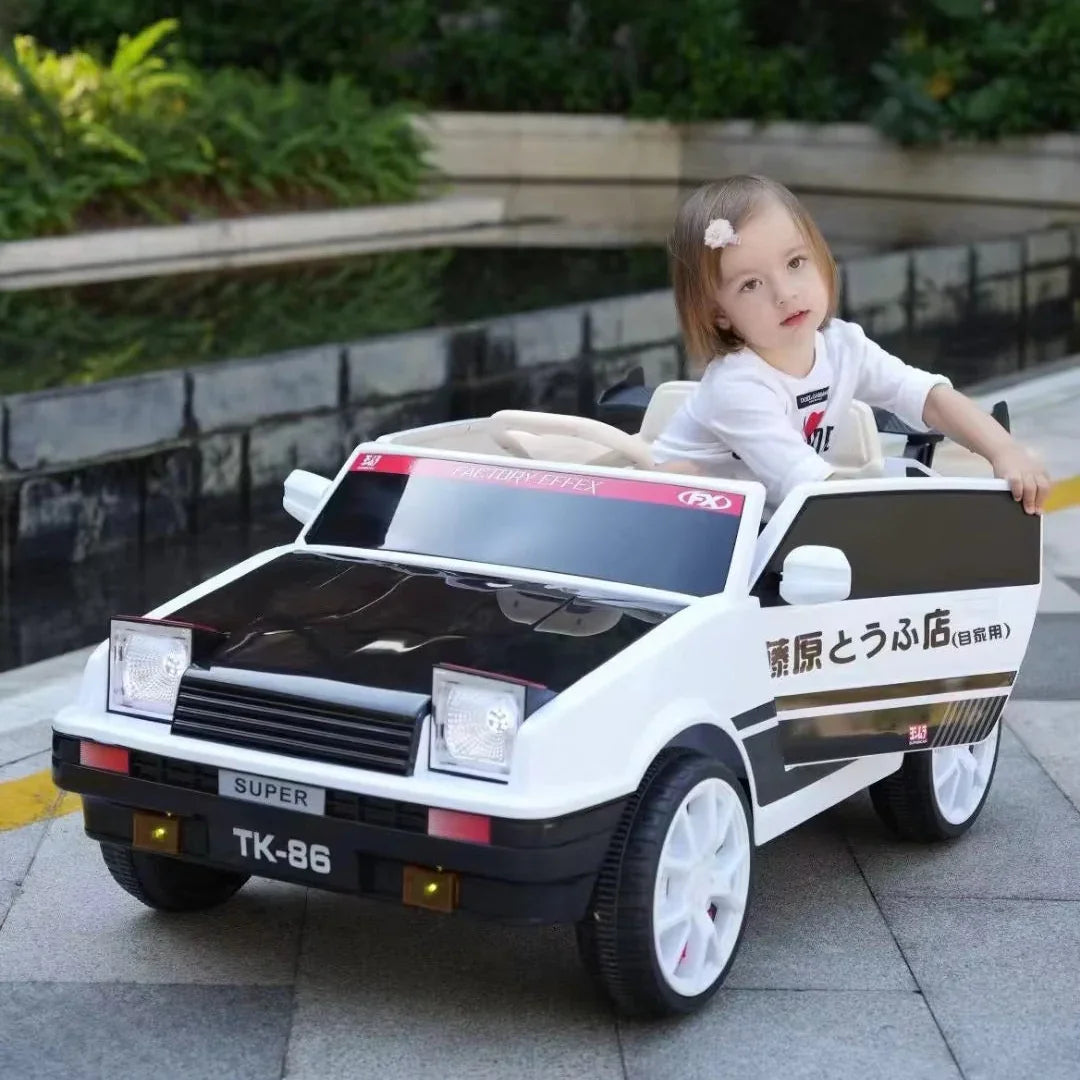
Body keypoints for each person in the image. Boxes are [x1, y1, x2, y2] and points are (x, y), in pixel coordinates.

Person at [650, 174, 1051, 514]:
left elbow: (926, 395)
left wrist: (1004, 450)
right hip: (688, 521)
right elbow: (811, 487)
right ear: (718, 313)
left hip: (769, 515)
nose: (785, 294)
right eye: (751, 284)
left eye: (795, 262)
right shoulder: (737, 386)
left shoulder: (843, 346)